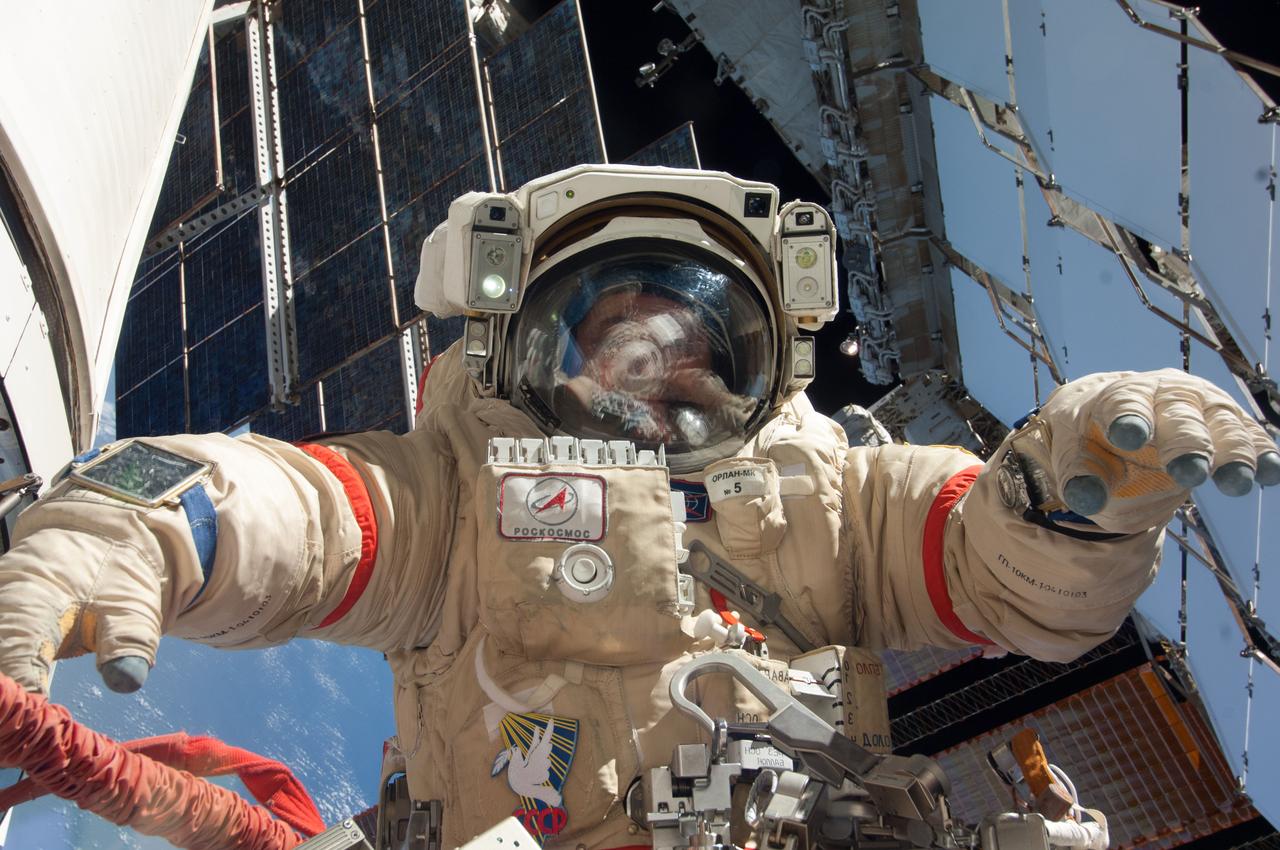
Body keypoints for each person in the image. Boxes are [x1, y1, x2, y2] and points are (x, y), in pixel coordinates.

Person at [0, 164, 1275, 848]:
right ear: (523, 358)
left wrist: (1061, 488)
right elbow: (297, 513)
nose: (648, 374)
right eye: (609, 339)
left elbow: (994, 571)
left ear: (751, 369)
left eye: (685, 348)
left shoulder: (838, 496)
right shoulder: (448, 504)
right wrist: (138, 520)